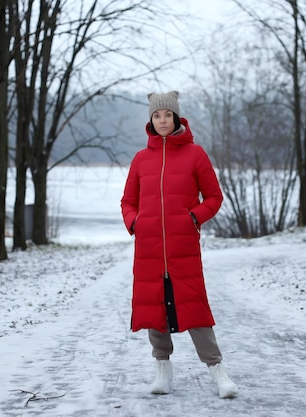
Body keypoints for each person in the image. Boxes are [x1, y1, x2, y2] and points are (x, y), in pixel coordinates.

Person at [120, 90, 238, 399]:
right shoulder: (140, 159)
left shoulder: (195, 154)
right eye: (157, 115)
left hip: (183, 246)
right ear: (151, 119)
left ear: (176, 118)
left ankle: (218, 370)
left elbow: (214, 197)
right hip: (149, 249)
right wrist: (135, 222)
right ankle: (163, 370)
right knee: (154, 307)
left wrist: (194, 219)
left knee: (194, 306)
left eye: (167, 115)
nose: (162, 120)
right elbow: (127, 201)